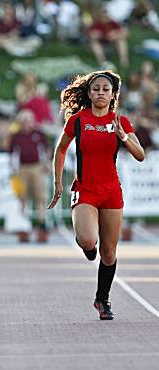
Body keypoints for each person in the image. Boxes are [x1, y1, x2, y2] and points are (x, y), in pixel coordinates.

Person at [48, 70, 145, 320]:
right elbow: (60, 150)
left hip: (111, 191)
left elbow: (140, 154)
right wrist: (58, 183)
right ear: (89, 93)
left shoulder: (120, 122)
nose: (100, 93)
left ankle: (102, 300)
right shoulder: (78, 121)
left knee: (110, 254)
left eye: (105, 89)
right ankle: (88, 248)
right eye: (96, 89)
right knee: (89, 241)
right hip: (85, 190)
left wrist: (124, 137)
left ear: (113, 94)